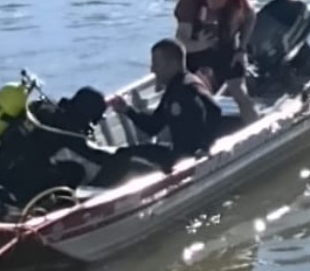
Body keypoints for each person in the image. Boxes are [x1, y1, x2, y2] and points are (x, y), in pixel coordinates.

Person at [92, 39, 226, 188]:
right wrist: (127, 110)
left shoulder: (187, 88)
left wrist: (206, 147)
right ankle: (97, 188)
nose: (152, 70)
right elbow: (153, 127)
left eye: (156, 64)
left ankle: (96, 190)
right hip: (176, 151)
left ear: (173, 64)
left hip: (186, 156)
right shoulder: (173, 89)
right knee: (122, 154)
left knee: (124, 160)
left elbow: (215, 110)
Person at [0, 87, 111, 214]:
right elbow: (92, 156)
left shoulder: (43, 107)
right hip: (16, 180)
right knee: (75, 171)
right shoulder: (68, 128)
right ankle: (46, 211)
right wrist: (118, 158)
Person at [174, 0, 258, 123]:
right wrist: (200, 45)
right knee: (178, 92)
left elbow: (251, 17)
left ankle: (256, 128)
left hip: (225, 46)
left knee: (239, 91)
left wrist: (242, 49)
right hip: (194, 48)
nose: (215, 0)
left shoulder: (239, 1)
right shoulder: (191, 1)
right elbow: (181, 41)